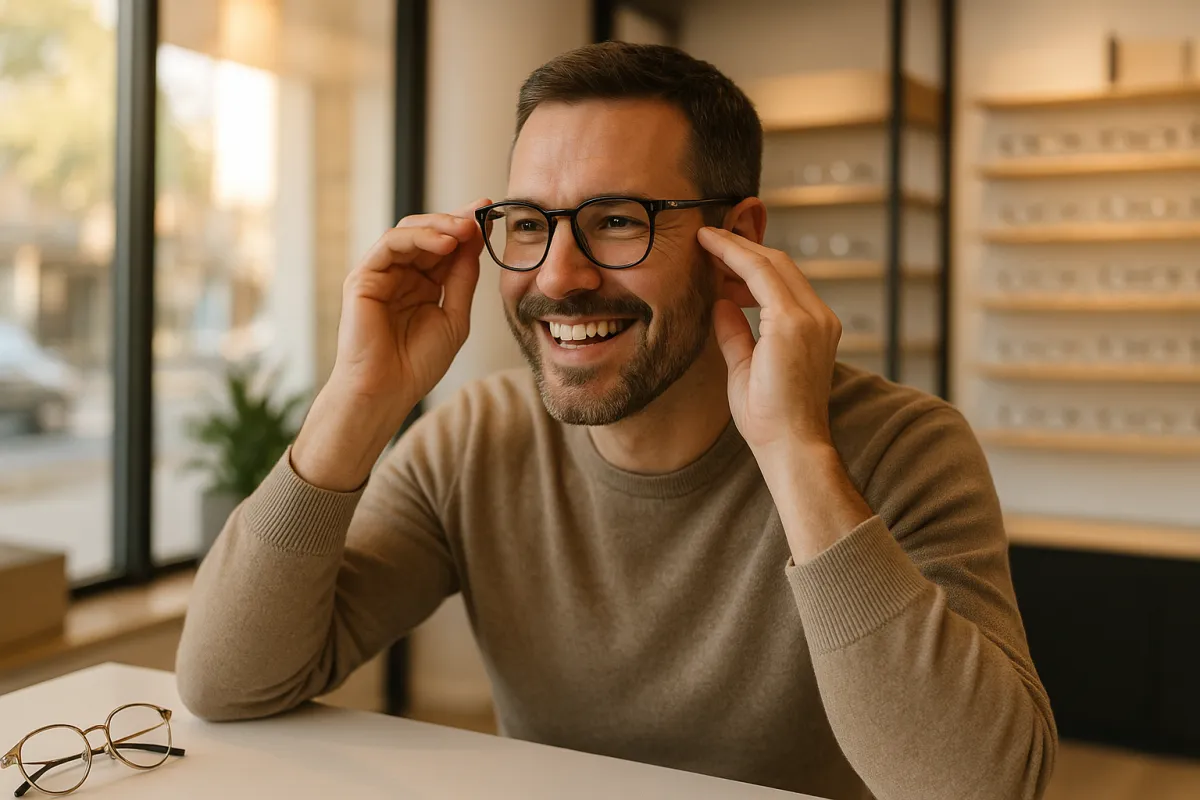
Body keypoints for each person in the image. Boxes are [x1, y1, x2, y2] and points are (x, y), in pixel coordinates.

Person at [176, 42, 1056, 800]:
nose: (559, 276)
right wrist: (357, 400)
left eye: (617, 221)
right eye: (529, 223)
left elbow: (987, 786)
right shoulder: (476, 440)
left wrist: (794, 452)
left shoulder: (904, 449)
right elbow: (228, 684)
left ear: (736, 242)